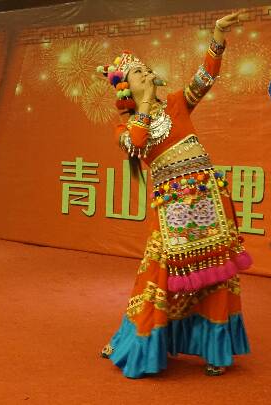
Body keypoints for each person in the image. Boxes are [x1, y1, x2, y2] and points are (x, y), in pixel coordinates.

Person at [97, 11, 253, 378]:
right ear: (125, 87)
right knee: (157, 276)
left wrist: (217, 36)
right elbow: (136, 144)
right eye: (137, 72)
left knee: (216, 272)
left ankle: (216, 352)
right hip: (171, 210)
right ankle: (134, 341)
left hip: (209, 200)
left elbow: (206, 76)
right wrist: (145, 103)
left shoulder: (178, 103)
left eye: (146, 68)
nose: (146, 73)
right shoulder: (125, 126)